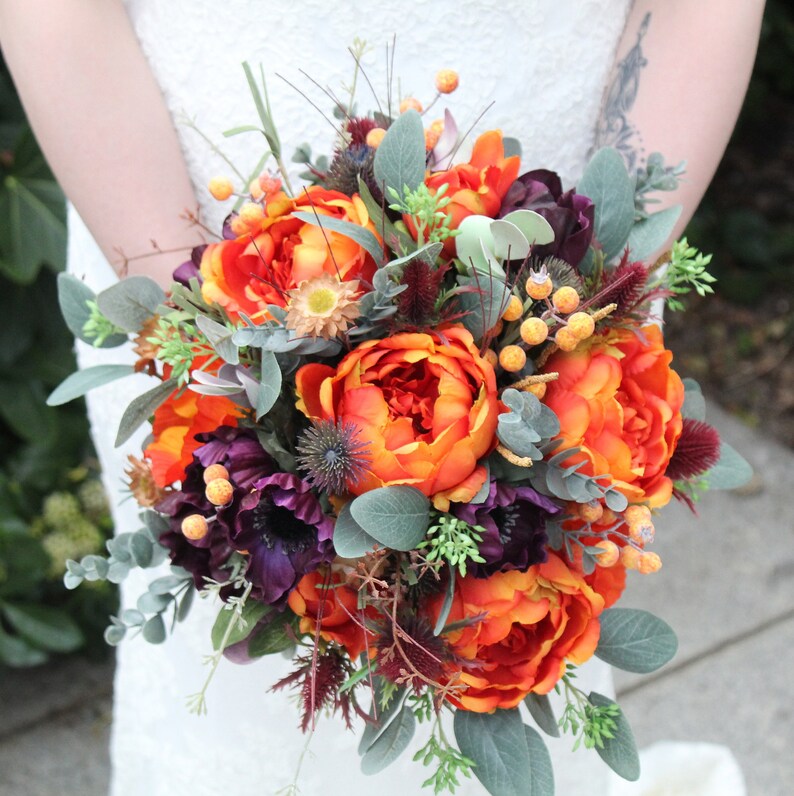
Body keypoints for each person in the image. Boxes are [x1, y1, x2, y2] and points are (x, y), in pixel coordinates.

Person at [0, 2, 765, 794]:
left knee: (514, 600)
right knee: (224, 646)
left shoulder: (567, 295)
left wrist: (581, 301)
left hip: (550, 248)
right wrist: (219, 350)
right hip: (166, 205)